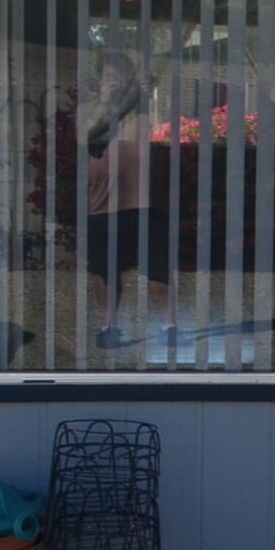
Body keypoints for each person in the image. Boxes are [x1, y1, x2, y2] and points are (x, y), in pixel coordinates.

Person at [81, 53, 176, 351]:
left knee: (159, 268)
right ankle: (109, 326)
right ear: (99, 81)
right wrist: (106, 102)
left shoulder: (145, 108)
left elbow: (168, 134)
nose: (116, 81)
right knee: (105, 270)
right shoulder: (88, 109)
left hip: (148, 201)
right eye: (109, 76)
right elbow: (85, 134)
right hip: (104, 203)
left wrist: (149, 94)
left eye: (121, 76)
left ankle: (169, 326)